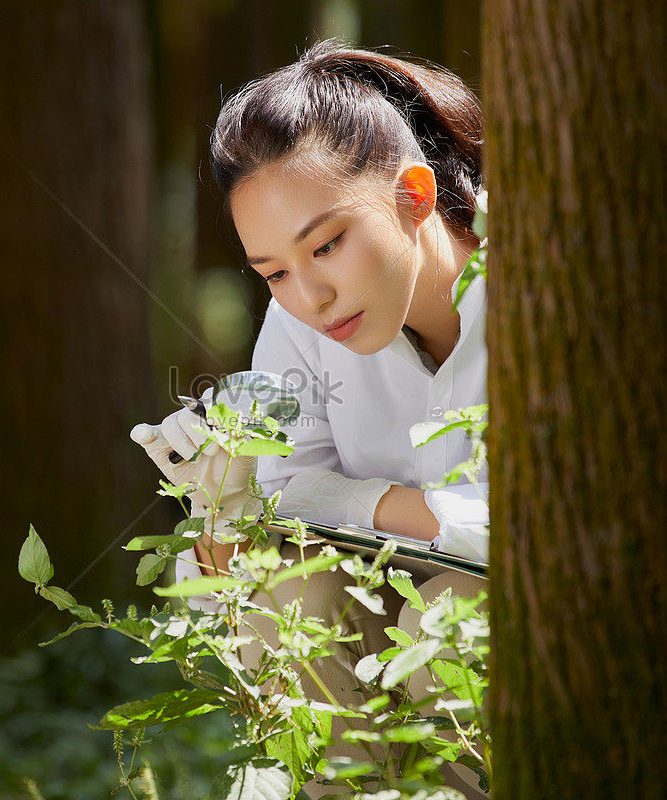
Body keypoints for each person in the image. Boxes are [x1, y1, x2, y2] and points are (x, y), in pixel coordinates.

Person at [130, 40, 490, 797]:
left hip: (516, 619)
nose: (309, 297)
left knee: (448, 623)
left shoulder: (555, 281)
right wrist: (219, 511)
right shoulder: (301, 320)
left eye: (327, 245)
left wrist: (371, 506)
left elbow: (556, 534)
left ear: (415, 196)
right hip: (377, 601)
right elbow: (269, 518)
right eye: (274, 273)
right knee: (286, 596)